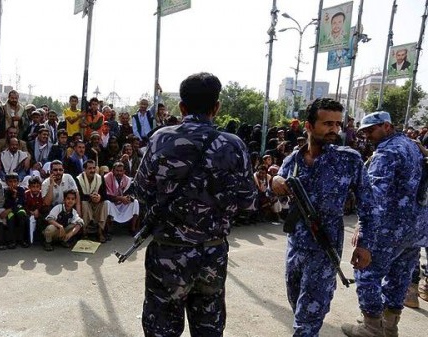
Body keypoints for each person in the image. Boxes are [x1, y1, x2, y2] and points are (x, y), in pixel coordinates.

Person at [135, 72, 257, 336]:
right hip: (211, 254)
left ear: (181, 106)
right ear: (217, 107)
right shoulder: (233, 145)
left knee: (161, 329)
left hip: (168, 253)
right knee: (208, 329)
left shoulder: (160, 139)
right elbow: (248, 201)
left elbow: (141, 190)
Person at [271, 98, 377, 336]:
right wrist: (274, 181)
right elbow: (276, 187)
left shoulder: (348, 160)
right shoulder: (293, 160)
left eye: (337, 124)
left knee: (307, 319)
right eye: (327, 123)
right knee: (297, 304)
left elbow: (368, 205)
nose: (334, 129)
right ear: (308, 126)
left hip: (324, 248)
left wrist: (364, 244)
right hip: (295, 248)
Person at [341, 111, 424, 337]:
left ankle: (371, 326)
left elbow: (373, 198)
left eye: (371, 130)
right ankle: (389, 326)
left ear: (387, 126)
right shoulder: (412, 145)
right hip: (414, 229)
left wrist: (363, 234)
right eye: (364, 131)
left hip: (388, 228)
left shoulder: (386, 152)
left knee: (365, 271)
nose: (367, 136)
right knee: (400, 276)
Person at [76, 160, 108, 243]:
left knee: (105, 203)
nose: (92, 170)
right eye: (90, 168)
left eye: (94, 168)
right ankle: (84, 232)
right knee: (84, 203)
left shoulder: (100, 178)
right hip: (87, 204)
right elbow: (80, 195)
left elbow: (104, 195)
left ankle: (100, 232)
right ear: (84, 169)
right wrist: (90, 197)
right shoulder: (79, 179)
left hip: (97, 204)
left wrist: (99, 197)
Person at [0, 173, 29, 249]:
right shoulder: (5, 191)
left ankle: (22, 240)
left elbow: (21, 203)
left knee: (22, 215)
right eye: (10, 181)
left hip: (18, 209)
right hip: (10, 210)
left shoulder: (21, 190)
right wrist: (13, 197)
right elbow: (6, 204)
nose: (13, 184)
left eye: (15, 181)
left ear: (18, 182)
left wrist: (15, 197)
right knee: (10, 218)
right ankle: (12, 241)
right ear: (6, 182)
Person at [24, 176, 46, 245]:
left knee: (41, 219)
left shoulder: (42, 194)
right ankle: (28, 239)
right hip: (29, 213)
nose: (35, 189)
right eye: (33, 187)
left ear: (40, 187)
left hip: (39, 213)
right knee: (26, 220)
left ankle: (40, 239)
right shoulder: (26, 194)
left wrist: (38, 210)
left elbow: (43, 204)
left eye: (37, 186)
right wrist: (30, 212)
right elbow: (24, 205)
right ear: (29, 187)